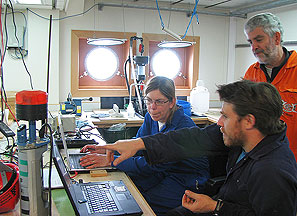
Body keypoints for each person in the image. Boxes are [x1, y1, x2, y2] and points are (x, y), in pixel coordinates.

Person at [94, 80, 297, 215]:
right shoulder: (242, 140)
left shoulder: (272, 171)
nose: (219, 123)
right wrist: (139, 143)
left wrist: (216, 206)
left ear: (248, 121)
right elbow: (190, 139)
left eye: (225, 116)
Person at [80, 76, 210, 215]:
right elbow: (137, 146)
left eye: (159, 102)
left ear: (172, 102)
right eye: (148, 100)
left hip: (185, 179)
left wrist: (112, 161)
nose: (152, 107)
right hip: (162, 172)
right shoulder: (152, 117)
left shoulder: (183, 127)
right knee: (126, 188)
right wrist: (109, 151)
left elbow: (153, 164)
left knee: (139, 204)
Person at [243, 12, 297, 160]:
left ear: (277, 38)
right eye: (250, 42)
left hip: (292, 160)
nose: (254, 47)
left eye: (258, 39)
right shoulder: (251, 73)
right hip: (259, 158)